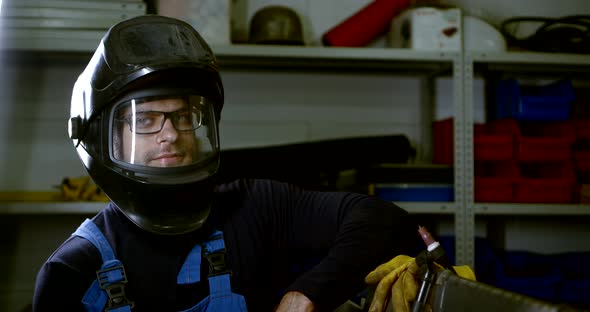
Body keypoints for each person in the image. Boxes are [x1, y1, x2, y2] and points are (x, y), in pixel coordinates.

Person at [33, 15, 414, 312]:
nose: (171, 133)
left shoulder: (253, 207)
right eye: (145, 120)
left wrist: (308, 292)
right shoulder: (73, 271)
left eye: (183, 116)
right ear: (105, 138)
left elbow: (382, 220)